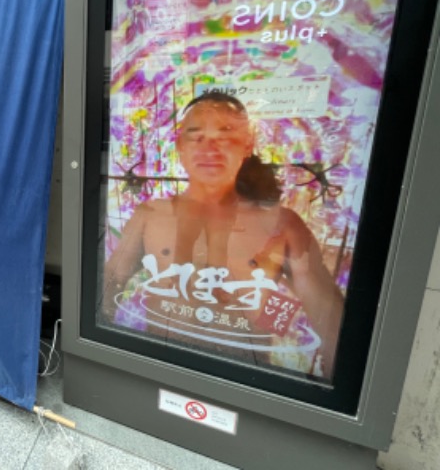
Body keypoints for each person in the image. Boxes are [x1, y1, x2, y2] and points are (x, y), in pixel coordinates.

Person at [104, 92, 344, 376]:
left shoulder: (282, 224)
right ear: (180, 145)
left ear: (247, 145)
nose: (210, 149)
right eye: (196, 136)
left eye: (225, 135)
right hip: (161, 369)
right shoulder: (151, 215)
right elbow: (109, 288)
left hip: (244, 380)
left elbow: (331, 323)